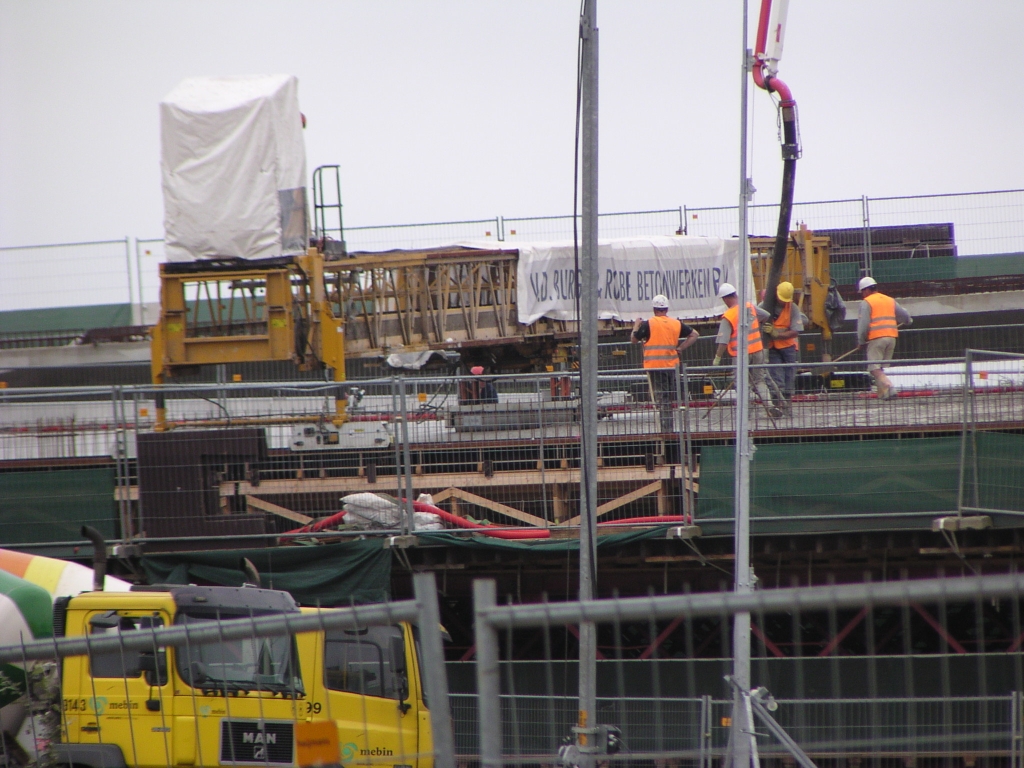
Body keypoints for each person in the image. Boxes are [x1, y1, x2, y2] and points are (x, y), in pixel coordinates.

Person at [712, 283, 783, 417]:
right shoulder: (749, 307)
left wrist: (717, 358)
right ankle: (770, 406)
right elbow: (766, 315)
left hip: (741, 355)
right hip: (758, 351)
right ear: (735, 295)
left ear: (726, 299)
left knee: (742, 383)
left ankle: (745, 411)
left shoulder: (729, 315)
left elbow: (723, 341)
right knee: (759, 380)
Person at [631, 294, 699, 432]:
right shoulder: (676, 323)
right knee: (669, 397)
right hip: (672, 366)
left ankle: (666, 429)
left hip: (655, 367)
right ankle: (669, 428)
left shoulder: (649, 323)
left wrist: (636, 326)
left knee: (662, 399)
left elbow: (634, 339)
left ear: (654, 309)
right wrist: (680, 348)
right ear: (666, 309)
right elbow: (694, 334)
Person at [857, 276, 912, 400]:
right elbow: (905, 316)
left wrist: (861, 341)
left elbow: (863, 324)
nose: (862, 295)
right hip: (891, 337)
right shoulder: (889, 300)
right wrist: (908, 320)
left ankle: (889, 386)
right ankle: (883, 394)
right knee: (880, 368)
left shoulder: (867, 302)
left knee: (874, 368)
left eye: (862, 292)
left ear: (866, 290)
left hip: (877, 338)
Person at [759, 281, 804, 414]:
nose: (782, 302)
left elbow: (796, 331)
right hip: (772, 348)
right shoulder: (765, 306)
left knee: (790, 375)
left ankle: (787, 404)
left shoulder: (793, 308)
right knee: (776, 376)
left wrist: (776, 334)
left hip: (788, 347)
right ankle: (778, 404)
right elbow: (755, 321)